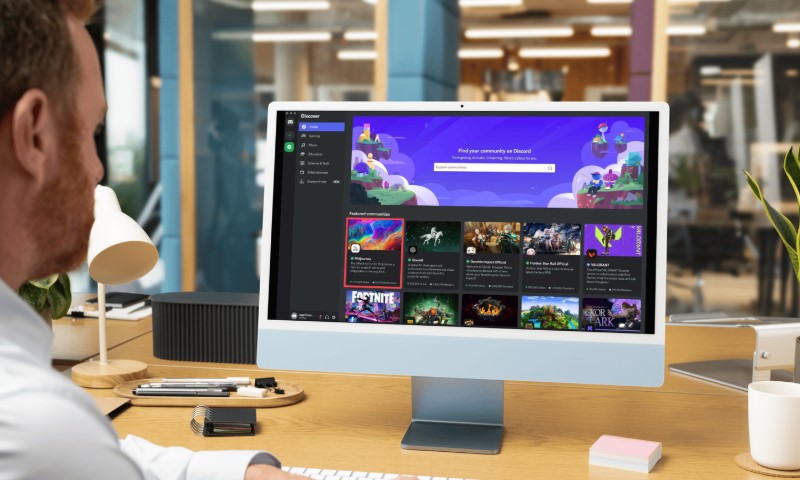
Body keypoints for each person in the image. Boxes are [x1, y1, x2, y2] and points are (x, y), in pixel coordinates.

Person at [0, 1, 303, 478]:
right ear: (33, 134)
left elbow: (94, 456)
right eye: (92, 131)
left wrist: (242, 471)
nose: (99, 168)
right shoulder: (31, 422)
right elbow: (59, 444)